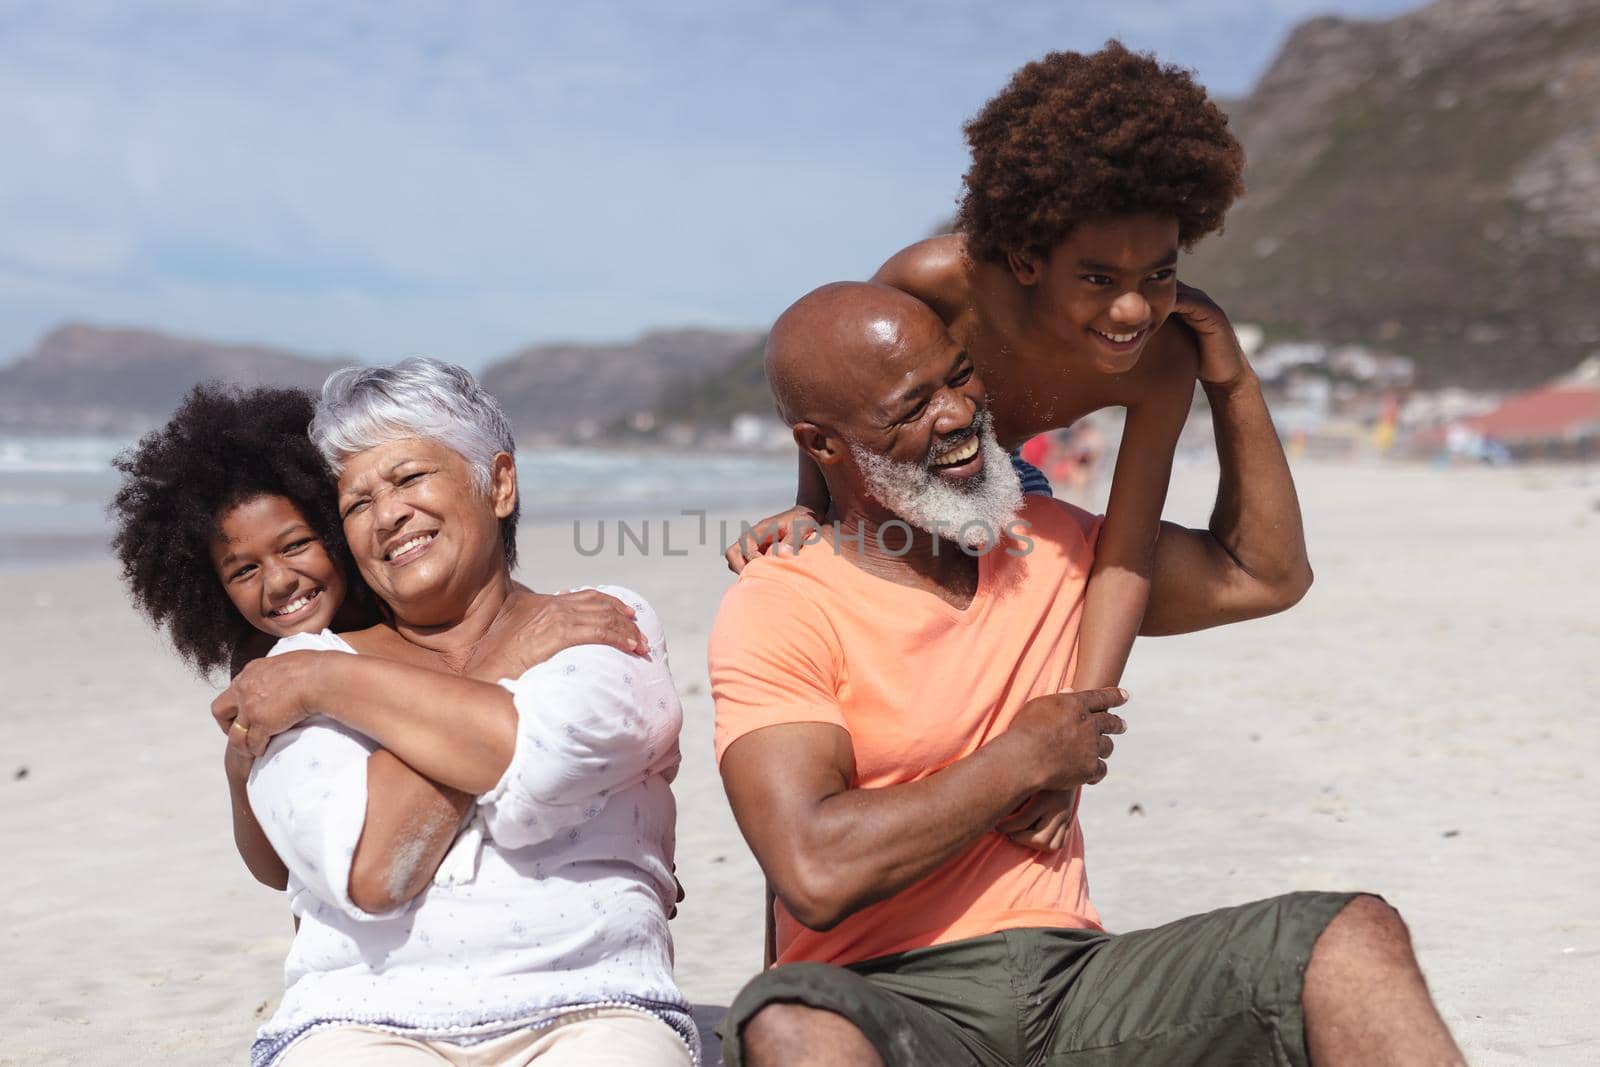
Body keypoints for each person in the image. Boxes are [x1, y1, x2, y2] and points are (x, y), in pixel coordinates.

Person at [709, 283, 1464, 1066]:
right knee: (792, 1025)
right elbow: (814, 866)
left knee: (1347, 939)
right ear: (823, 446)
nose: (959, 413)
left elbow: (1264, 572)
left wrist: (1230, 380)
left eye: (960, 376)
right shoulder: (782, 602)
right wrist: (1022, 759)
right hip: (886, 1004)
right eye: (911, 409)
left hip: (1075, 985)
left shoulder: (1053, 544)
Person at [730, 42, 1250, 848]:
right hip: (925, 479)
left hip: (1008, 488)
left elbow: (1128, 548)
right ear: (1026, 256)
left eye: (1158, 275)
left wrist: (1081, 729)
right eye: (1098, 279)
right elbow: (843, 383)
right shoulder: (937, 279)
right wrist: (809, 506)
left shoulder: (1163, 360)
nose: (1132, 311)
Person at [208, 359, 695, 1065]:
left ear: (498, 484)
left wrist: (327, 686)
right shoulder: (288, 673)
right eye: (356, 504)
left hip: (595, 1008)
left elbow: (543, 769)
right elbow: (375, 871)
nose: (388, 514)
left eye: (408, 479)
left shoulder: (604, 621)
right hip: (358, 1022)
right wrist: (502, 668)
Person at [111, 384, 381, 890]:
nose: (278, 581)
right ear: (211, 592)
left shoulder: (399, 623)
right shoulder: (259, 667)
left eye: (297, 544)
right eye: (243, 571)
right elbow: (276, 872)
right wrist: (238, 767)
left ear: (336, 526)